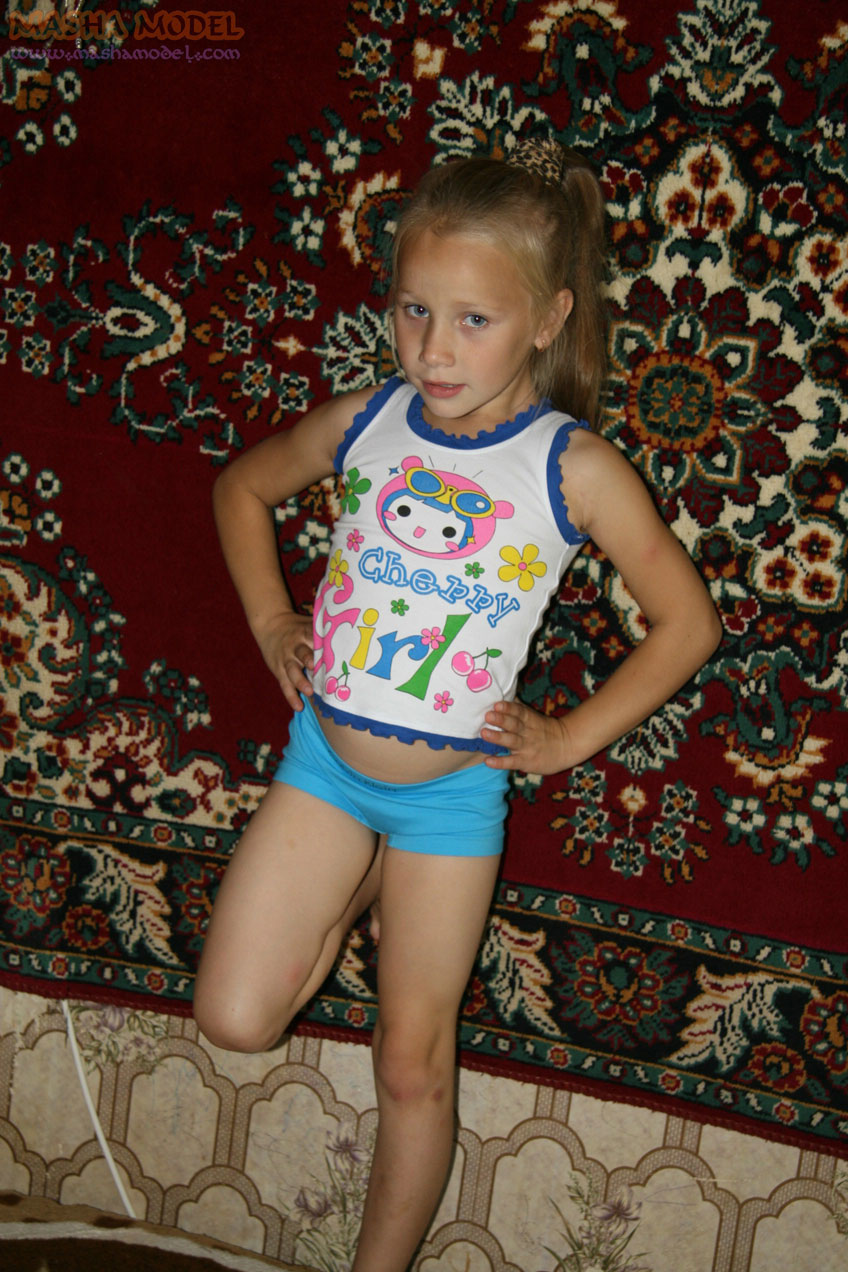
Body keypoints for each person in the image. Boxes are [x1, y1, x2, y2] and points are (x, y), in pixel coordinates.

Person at [194, 137, 722, 1271]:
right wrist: (272, 620)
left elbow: (687, 624)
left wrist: (567, 738)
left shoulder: (570, 467)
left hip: (448, 808)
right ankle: (355, 877)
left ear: (547, 319)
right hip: (325, 769)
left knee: (409, 1061)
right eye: (413, 311)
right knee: (234, 1017)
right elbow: (243, 486)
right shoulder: (366, 420)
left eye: (474, 320)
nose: (433, 350)